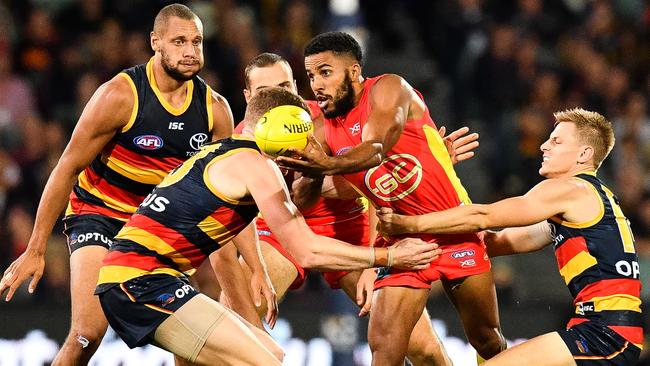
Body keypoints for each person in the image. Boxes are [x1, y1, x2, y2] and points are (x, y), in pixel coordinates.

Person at [94, 87, 441, 365]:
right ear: (284, 127)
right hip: (140, 283)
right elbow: (307, 250)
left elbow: (232, 226)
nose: (309, 144)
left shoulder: (226, 153)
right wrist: (391, 257)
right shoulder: (257, 166)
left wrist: (258, 267)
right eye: (303, 131)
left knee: (270, 352)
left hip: (145, 279)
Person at [0, 4, 234, 365]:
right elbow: (66, 168)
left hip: (158, 228)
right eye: (179, 41)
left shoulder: (215, 111)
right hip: (100, 215)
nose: (190, 51)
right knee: (86, 335)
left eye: (197, 41)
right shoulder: (120, 95)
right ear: (155, 42)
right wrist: (35, 248)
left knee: (192, 345)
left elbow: (222, 200)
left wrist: (242, 271)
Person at [224, 51, 480, 365]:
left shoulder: (332, 118)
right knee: (233, 321)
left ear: (297, 86)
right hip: (281, 231)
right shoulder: (241, 142)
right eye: (265, 93)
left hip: (351, 225)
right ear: (248, 97)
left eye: (285, 87)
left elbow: (380, 183)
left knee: (423, 347)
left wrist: (374, 263)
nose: (278, 99)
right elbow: (258, 214)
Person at [276, 31, 506, 364]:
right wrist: (310, 171)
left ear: (354, 72)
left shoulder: (388, 89)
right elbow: (304, 200)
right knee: (384, 346)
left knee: (486, 340)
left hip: (453, 227)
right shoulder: (322, 128)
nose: (317, 84)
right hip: (401, 241)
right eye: (311, 75)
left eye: (325, 72)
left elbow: (377, 147)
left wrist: (328, 163)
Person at [377, 108, 644, 366]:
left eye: (556, 141)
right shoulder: (587, 201)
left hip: (605, 333)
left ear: (584, 154)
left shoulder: (571, 188)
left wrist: (408, 224)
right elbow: (494, 241)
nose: (543, 146)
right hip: (606, 331)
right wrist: (440, 177)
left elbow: (483, 216)